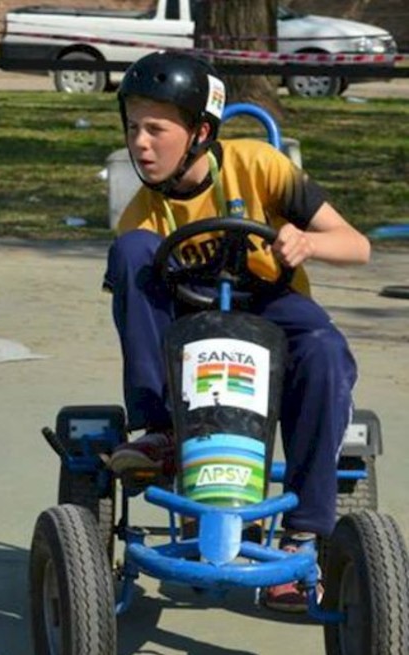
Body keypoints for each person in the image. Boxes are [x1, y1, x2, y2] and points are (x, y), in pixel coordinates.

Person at [103, 51, 370, 611]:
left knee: (324, 350)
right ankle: (160, 430)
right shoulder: (141, 217)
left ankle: (302, 537)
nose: (141, 144)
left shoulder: (260, 165)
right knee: (128, 253)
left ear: (200, 131)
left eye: (156, 129)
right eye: (133, 128)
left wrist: (309, 243)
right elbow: (139, 303)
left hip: (271, 304)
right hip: (189, 324)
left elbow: (357, 245)